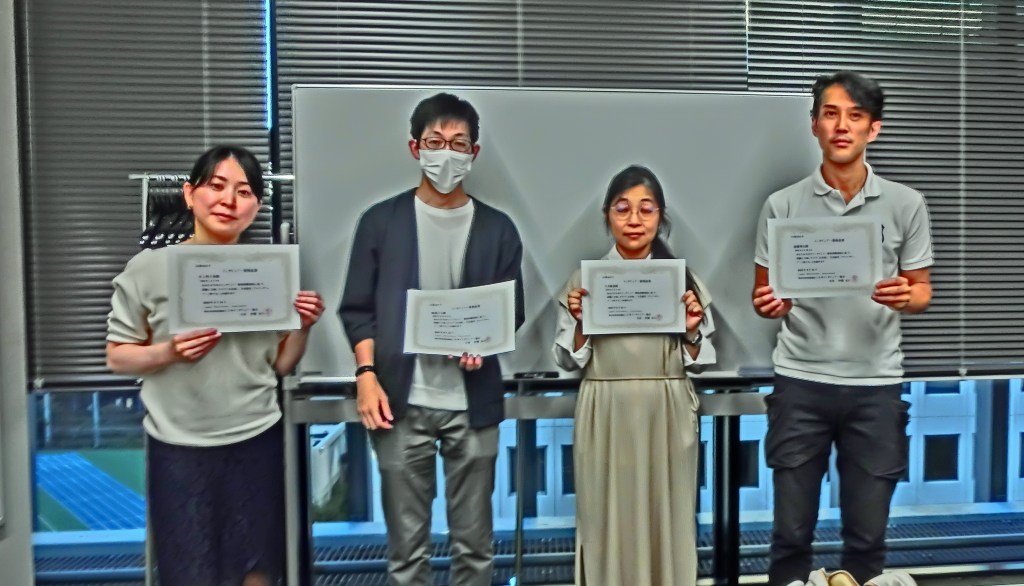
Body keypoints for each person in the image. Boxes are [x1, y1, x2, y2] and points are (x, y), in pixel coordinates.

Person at [106, 145, 325, 586]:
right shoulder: (148, 268)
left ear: (256, 206)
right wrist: (169, 352)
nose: (229, 200)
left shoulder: (270, 272)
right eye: (217, 186)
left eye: (244, 192)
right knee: (190, 571)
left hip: (256, 438)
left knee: (258, 570)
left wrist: (303, 327)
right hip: (178, 446)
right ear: (190, 195)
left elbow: (280, 366)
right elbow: (117, 355)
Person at [751, 71, 934, 586]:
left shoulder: (906, 203)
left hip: (876, 385)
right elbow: (763, 294)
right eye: (830, 114)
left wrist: (907, 295)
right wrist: (770, 304)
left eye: (855, 116)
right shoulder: (782, 204)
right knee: (790, 535)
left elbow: (922, 289)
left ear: (873, 129)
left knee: (868, 538)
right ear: (814, 125)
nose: (842, 126)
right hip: (800, 382)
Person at [339, 92, 525, 586]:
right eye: (435, 142)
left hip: (474, 403)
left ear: (474, 153)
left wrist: (483, 344)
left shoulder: (498, 228)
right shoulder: (381, 222)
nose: (447, 153)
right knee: (406, 553)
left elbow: (510, 312)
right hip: (399, 402)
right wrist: (366, 375)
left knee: (475, 548)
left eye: (458, 144)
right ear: (415, 148)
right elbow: (357, 310)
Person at [553, 164, 716, 586]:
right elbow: (568, 360)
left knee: (668, 518)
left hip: (667, 409)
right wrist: (582, 322)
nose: (634, 220)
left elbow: (700, 359)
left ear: (661, 217)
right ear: (607, 216)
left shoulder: (684, 280)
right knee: (605, 518)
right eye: (622, 209)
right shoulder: (584, 281)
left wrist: (691, 330)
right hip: (605, 409)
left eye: (646, 209)